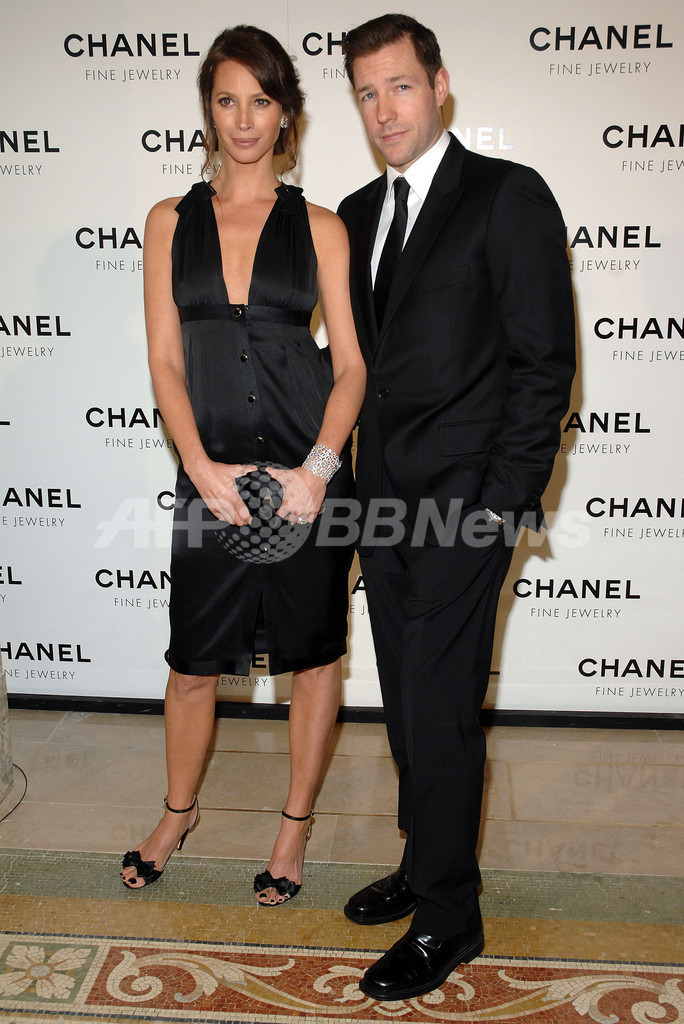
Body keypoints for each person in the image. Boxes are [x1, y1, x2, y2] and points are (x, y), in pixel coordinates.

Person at [337, 14, 575, 1001]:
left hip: (466, 503)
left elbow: (543, 363)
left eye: (400, 86)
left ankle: (449, 914)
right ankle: (423, 855)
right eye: (366, 93)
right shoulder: (355, 212)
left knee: (439, 705)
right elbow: (360, 367)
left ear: (439, 86)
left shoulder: (507, 196)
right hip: (380, 505)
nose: (384, 109)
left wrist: (500, 506)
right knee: (407, 698)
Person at [121, 25, 365, 905]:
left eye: (261, 101)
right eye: (227, 100)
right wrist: (198, 466)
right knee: (192, 665)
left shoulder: (323, 227)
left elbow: (351, 367)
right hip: (210, 479)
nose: (244, 119)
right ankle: (177, 813)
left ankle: (293, 828)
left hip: (308, 482)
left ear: (286, 113)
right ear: (208, 111)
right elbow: (164, 361)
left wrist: (319, 470)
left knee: (313, 660)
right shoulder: (168, 221)